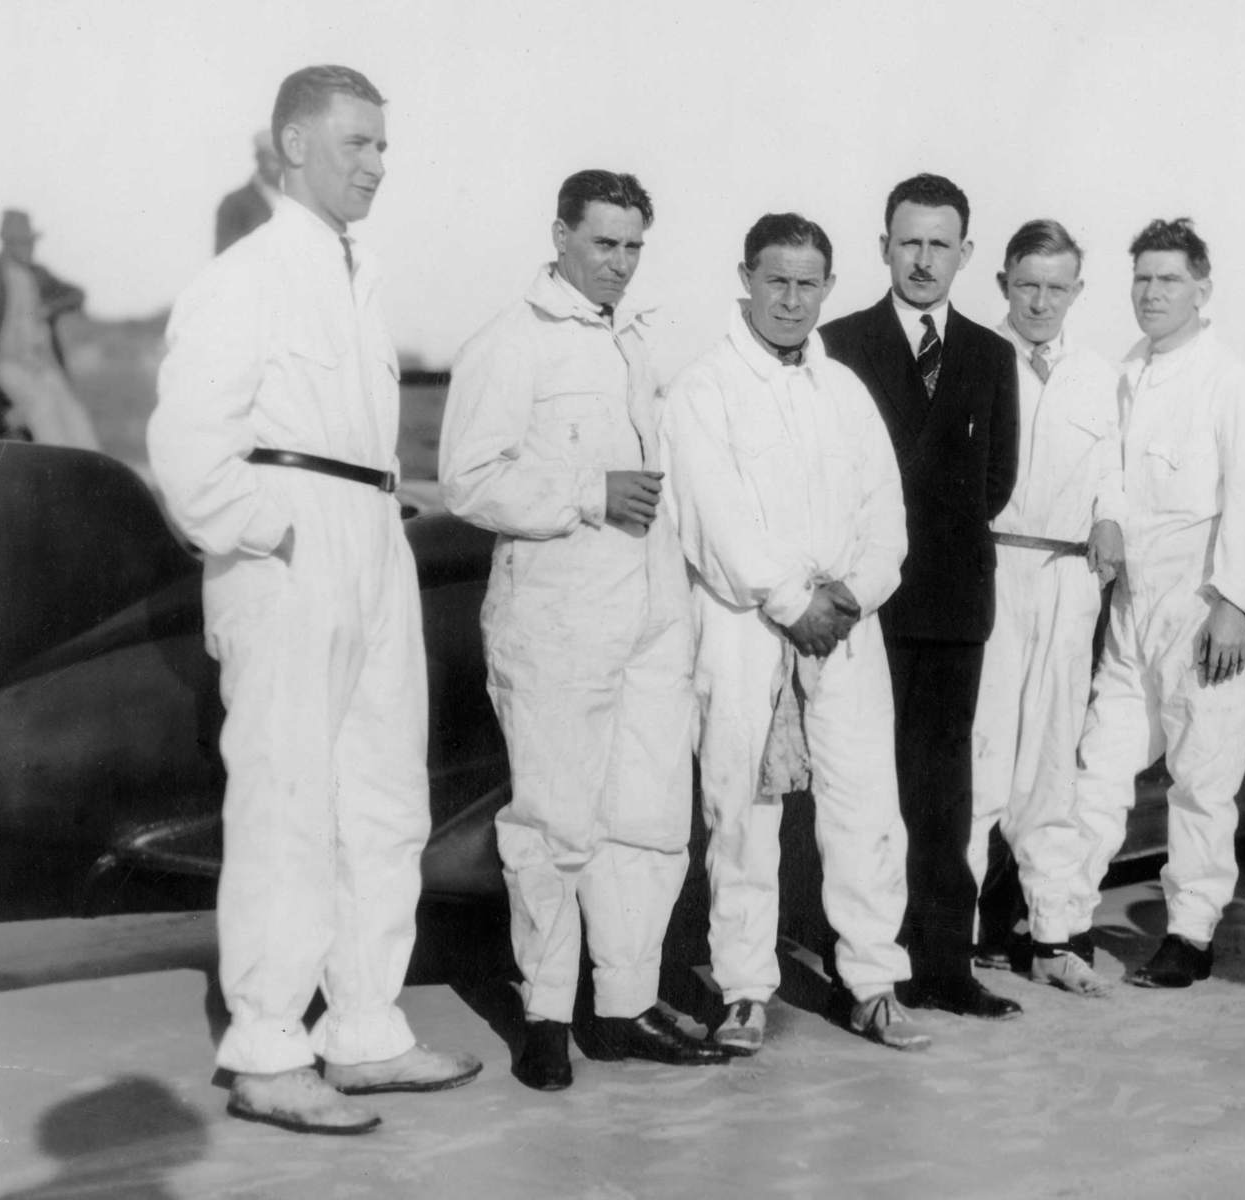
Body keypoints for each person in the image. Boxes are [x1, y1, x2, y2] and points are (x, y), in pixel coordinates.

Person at [148, 64, 481, 1136]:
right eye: (356, 145)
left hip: (369, 531)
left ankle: (365, 1028)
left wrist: (367, 525)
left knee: (382, 795)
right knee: (287, 800)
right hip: (289, 545)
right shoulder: (243, 276)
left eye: (385, 146)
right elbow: (190, 455)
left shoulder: (357, 275)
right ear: (292, 146)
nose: (378, 166)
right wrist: (274, 532)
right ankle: (266, 1047)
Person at [440, 169, 728, 1092]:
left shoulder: (637, 342)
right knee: (555, 824)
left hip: (650, 614)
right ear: (559, 234)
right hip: (555, 617)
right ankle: (546, 1017)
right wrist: (585, 493)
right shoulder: (510, 342)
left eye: (635, 245)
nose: (621, 263)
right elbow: (468, 481)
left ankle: (625, 1004)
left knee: (644, 819)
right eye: (604, 242)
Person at [660, 213, 929, 1055]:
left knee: (862, 802)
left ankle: (874, 982)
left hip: (845, 625)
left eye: (807, 282)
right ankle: (744, 988)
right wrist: (788, 600)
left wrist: (853, 593)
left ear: (828, 287)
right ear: (745, 277)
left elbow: (885, 513)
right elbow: (714, 517)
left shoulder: (842, 391)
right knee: (742, 806)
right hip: (746, 625)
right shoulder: (705, 388)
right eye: (774, 279)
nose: (790, 298)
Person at [1029, 218, 1245, 988]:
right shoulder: (1121, 376)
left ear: (1202, 290)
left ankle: (1191, 933)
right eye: (1141, 278)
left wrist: (1235, 602)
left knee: (1203, 779)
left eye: (1168, 279)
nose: (1151, 293)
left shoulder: (1237, 386)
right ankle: (1061, 920)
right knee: (1099, 769)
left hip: (1202, 609)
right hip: (1131, 611)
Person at [820, 174, 1022, 1020]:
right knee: (862, 788)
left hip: (950, 604)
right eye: (910, 242)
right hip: (865, 609)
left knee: (943, 791)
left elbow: (998, 482)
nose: (924, 259)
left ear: (966, 254)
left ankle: (943, 963)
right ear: (883, 247)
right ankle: (867, 963)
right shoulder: (838, 343)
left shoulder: (989, 353)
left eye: (941, 244)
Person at [968, 220, 1125, 998]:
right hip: (991, 566)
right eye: (1026, 284)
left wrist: (1111, 516)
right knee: (980, 757)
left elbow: (1116, 472)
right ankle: (949, 939)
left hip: (1067, 578)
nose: (1040, 301)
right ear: (1003, 282)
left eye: (1056, 287)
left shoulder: (1099, 377)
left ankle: (1054, 935)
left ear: (1077, 292)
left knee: (1053, 765)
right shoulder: (971, 356)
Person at [0, 209, 100, 448]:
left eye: (29, 242)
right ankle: (59, 474)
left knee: (73, 413)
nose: (28, 248)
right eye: (21, 243)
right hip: (3, 363)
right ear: (7, 244)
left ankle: (93, 474)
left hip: (40, 364)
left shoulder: (39, 275)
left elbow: (77, 295)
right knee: (43, 408)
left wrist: (51, 308)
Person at [216, 129, 284, 254]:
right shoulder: (235, 204)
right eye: (273, 159)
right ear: (258, 158)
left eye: (282, 160)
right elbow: (226, 260)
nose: (279, 166)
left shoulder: (294, 200)